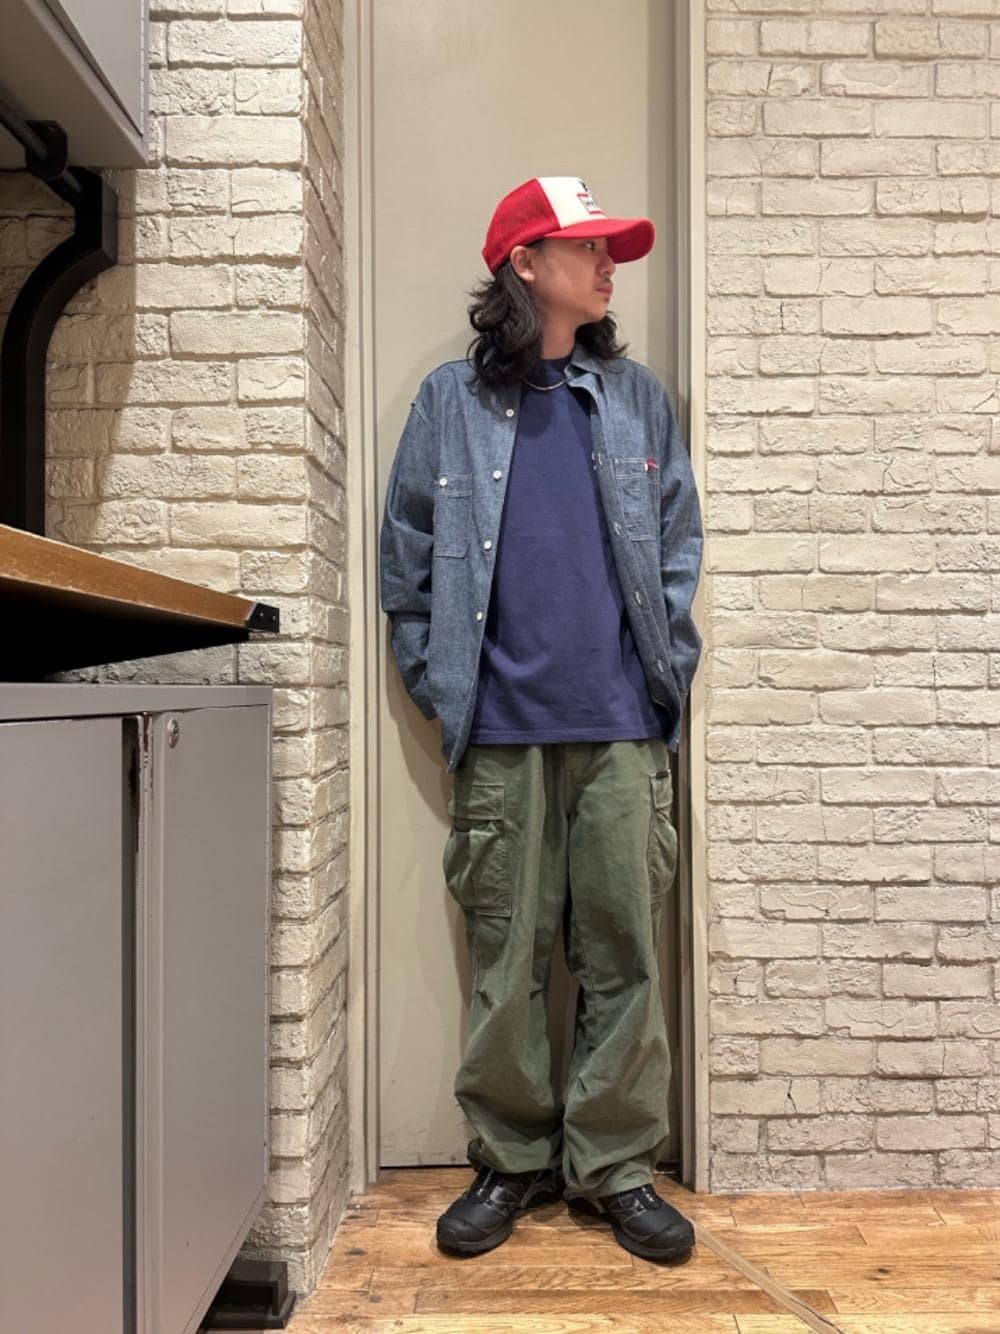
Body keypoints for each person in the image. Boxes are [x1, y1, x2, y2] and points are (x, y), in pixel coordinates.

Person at [379, 176, 704, 1263]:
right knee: (505, 958)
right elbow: (408, 567)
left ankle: (615, 1165)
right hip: (501, 730)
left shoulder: (636, 398)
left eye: (613, 249)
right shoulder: (449, 403)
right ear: (524, 261)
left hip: (621, 727)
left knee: (623, 954)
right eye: (588, 245)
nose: (610, 265)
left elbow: (676, 547)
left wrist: (664, 675)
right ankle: (510, 1158)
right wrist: (444, 688)